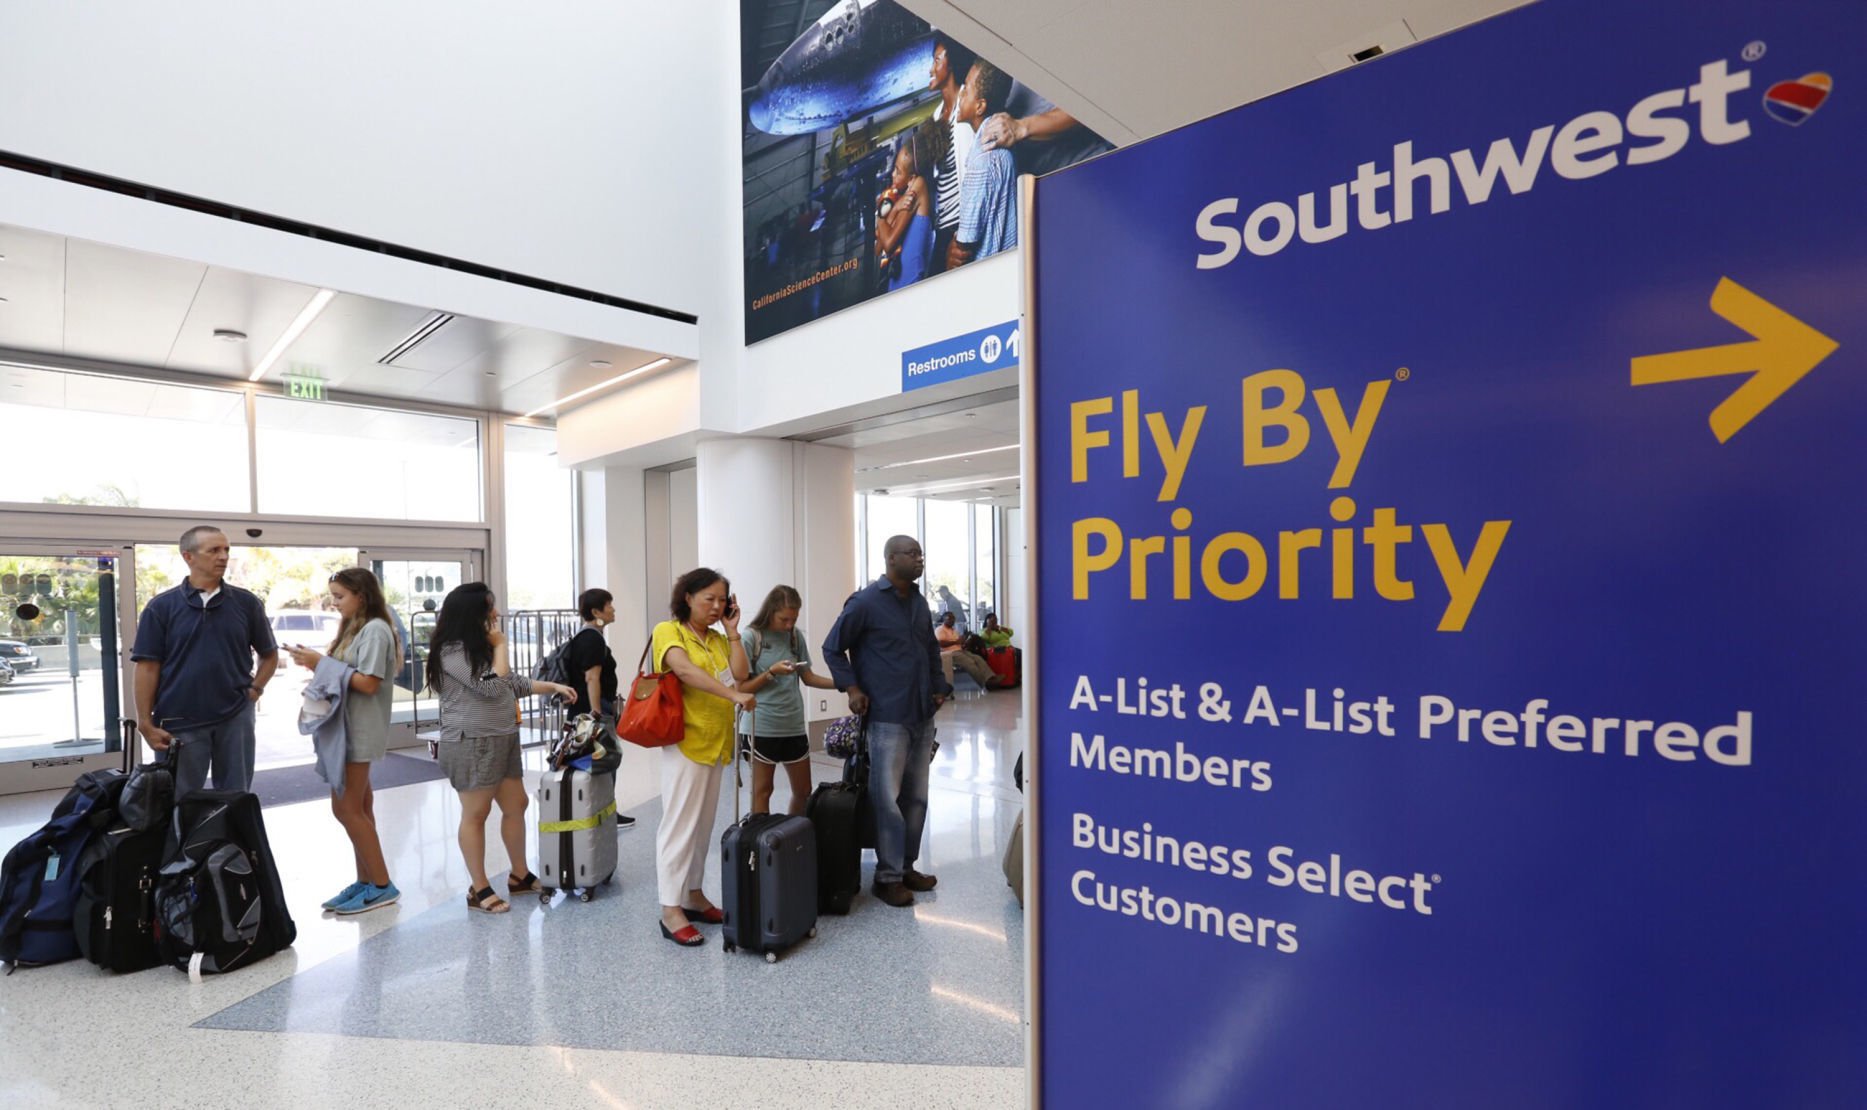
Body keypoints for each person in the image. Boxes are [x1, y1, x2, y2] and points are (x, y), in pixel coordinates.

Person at [428, 582, 576, 914]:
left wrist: (552, 685)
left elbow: (512, 683)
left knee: (517, 804)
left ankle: (519, 874)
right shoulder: (451, 651)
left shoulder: (483, 648)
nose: (495, 614)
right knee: (476, 814)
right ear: (471, 613)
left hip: (503, 737)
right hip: (470, 741)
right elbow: (494, 685)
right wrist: (502, 644)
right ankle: (478, 888)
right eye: (489, 608)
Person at [822, 535, 953, 907]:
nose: (919, 559)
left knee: (917, 797)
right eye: (911, 554)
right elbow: (832, 647)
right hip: (887, 717)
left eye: (920, 554)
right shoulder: (865, 602)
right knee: (888, 799)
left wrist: (940, 685)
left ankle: (906, 865)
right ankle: (888, 876)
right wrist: (851, 688)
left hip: (921, 715)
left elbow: (929, 646)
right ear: (891, 558)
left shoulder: (919, 601)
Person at [284, 568, 401, 915]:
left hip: (359, 729)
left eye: (339, 596)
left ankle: (381, 885)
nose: (333, 603)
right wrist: (315, 663)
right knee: (359, 808)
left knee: (346, 808)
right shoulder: (355, 628)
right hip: (347, 726)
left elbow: (368, 683)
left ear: (360, 596)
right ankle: (367, 881)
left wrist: (321, 662)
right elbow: (345, 674)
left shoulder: (376, 631)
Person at [131, 525, 279, 797]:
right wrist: (144, 722)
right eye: (214, 550)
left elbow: (269, 655)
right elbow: (147, 667)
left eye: (226, 550)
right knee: (177, 799)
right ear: (189, 557)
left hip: (235, 717)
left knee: (235, 797)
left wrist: (256, 688)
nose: (223, 556)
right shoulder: (161, 607)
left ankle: (229, 841)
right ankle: (180, 842)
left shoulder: (247, 604)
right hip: (179, 720)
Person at [651, 568, 756, 946]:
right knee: (679, 826)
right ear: (687, 598)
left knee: (702, 827)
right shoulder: (670, 631)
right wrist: (732, 697)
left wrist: (732, 632)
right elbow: (684, 670)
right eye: (708, 598)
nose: (716, 606)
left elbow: (740, 675)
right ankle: (670, 909)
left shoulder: (715, 637)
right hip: (685, 742)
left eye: (722, 600)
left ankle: (693, 894)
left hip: (717, 742)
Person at [736, 585, 838, 816]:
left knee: (803, 791)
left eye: (794, 619)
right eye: (784, 619)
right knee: (763, 790)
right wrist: (771, 672)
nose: (789, 624)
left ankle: (790, 842)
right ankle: (760, 847)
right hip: (760, 726)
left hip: (792, 725)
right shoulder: (751, 637)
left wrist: (844, 684)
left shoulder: (794, 637)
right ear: (770, 612)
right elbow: (741, 688)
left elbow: (808, 677)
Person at [564, 587, 635, 828]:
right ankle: (603, 814)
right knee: (603, 762)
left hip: (583, 710)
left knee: (596, 762)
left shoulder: (586, 636)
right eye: (609, 605)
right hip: (591, 710)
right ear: (596, 611)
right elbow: (592, 678)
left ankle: (601, 812)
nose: (613, 609)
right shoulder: (592, 638)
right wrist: (597, 713)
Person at [947, 57, 1019, 271]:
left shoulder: (983, 159)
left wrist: (950, 252)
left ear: (980, 106)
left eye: (966, 90)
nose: (960, 94)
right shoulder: (998, 150)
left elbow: (963, 248)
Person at [925, 33, 979, 273]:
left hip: (962, 226)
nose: (931, 69)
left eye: (937, 60)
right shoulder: (936, 115)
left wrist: (964, 232)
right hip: (942, 228)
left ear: (952, 62)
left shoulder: (967, 103)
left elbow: (974, 174)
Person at [876, 131, 935, 291]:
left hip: (911, 284)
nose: (893, 175)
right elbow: (878, 248)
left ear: (911, 178)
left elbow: (888, 244)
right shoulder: (898, 197)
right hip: (896, 286)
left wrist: (880, 215)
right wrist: (894, 209)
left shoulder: (918, 185)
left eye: (898, 171)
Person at [935, 611, 1000, 689]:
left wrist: (964, 643)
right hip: (949, 653)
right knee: (970, 662)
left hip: (960, 650)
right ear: (944, 619)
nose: (952, 620)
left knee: (978, 658)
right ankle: (985, 683)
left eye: (953, 618)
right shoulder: (940, 629)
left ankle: (991, 677)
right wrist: (956, 642)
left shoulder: (954, 630)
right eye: (949, 618)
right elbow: (940, 643)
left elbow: (959, 643)